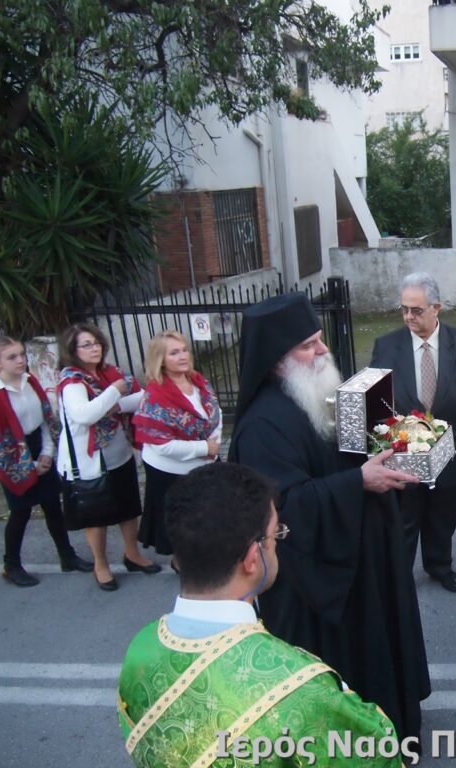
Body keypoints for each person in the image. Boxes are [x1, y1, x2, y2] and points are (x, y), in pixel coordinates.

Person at [228, 292, 430, 745]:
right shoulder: (261, 426)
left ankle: (393, 727)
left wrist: (396, 439)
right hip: (318, 582)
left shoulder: (314, 392)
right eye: (309, 345)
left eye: (320, 339)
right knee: (342, 669)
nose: (323, 351)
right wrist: (357, 481)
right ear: (276, 359)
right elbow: (281, 508)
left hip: (363, 554)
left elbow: (345, 448)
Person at [117, 462, 403, 768]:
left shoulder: (140, 650)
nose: (276, 543)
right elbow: (378, 751)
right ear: (253, 559)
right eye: (275, 534)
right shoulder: (301, 687)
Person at [370, 272, 456, 593]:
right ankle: (400, 576)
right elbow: (375, 404)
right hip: (404, 455)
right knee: (405, 518)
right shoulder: (386, 346)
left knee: (444, 516)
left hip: (455, 449)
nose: (408, 317)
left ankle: (440, 566)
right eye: (404, 309)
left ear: (436, 308)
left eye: (416, 310)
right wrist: (378, 450)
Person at [56, 323, 157, 591]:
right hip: (89, 461)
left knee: (128, 507)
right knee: (96, 516)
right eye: (87, 345)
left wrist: (115, 404)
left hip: (119, 453)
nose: (95, 348)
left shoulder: (110, 372)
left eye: (97, 343)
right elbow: (85, 415)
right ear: (72, 350)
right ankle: (101, 565)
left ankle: (132, 554)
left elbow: (142, 397)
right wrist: (115, 391)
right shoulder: (72, 382)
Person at [0, 336, 92, 586]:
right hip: (12, 455)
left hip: (38, 445)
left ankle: (67, 556)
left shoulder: (29, 380)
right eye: (12, 357)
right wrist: (31, 466)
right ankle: (11, 565)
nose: (21, 360)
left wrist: (46, 452)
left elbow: (44, 419)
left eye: (22, 354)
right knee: (21, 512)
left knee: (53, 506)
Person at [132, 331, 222, 568]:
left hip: (204, 463)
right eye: (174, 353)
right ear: (160, 359)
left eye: (184, 350)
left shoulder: (198, 381)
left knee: (207, 517)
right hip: (170, 472)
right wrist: (203, 447)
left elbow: (216, 412)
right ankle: (180, 563)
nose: (183, 356)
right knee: (181, 524)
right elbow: (161, 444)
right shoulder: (155, 396)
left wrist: (214, 441)